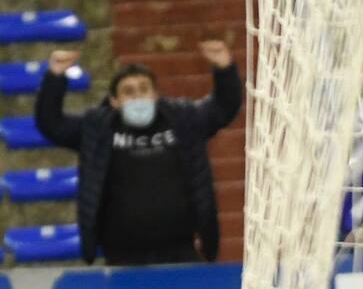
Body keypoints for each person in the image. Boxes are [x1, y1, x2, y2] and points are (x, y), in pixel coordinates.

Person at [34, 41, 243, 266]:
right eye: (128, 91)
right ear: (114, 101)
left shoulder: (183, 119)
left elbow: (223, 107)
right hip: (122, 259)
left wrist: (224, 67)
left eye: (144, 89)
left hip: (180, 253)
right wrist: (55, 76)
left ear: (155, 94)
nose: (138, 96)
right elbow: (51, 123)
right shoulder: (96, 129)